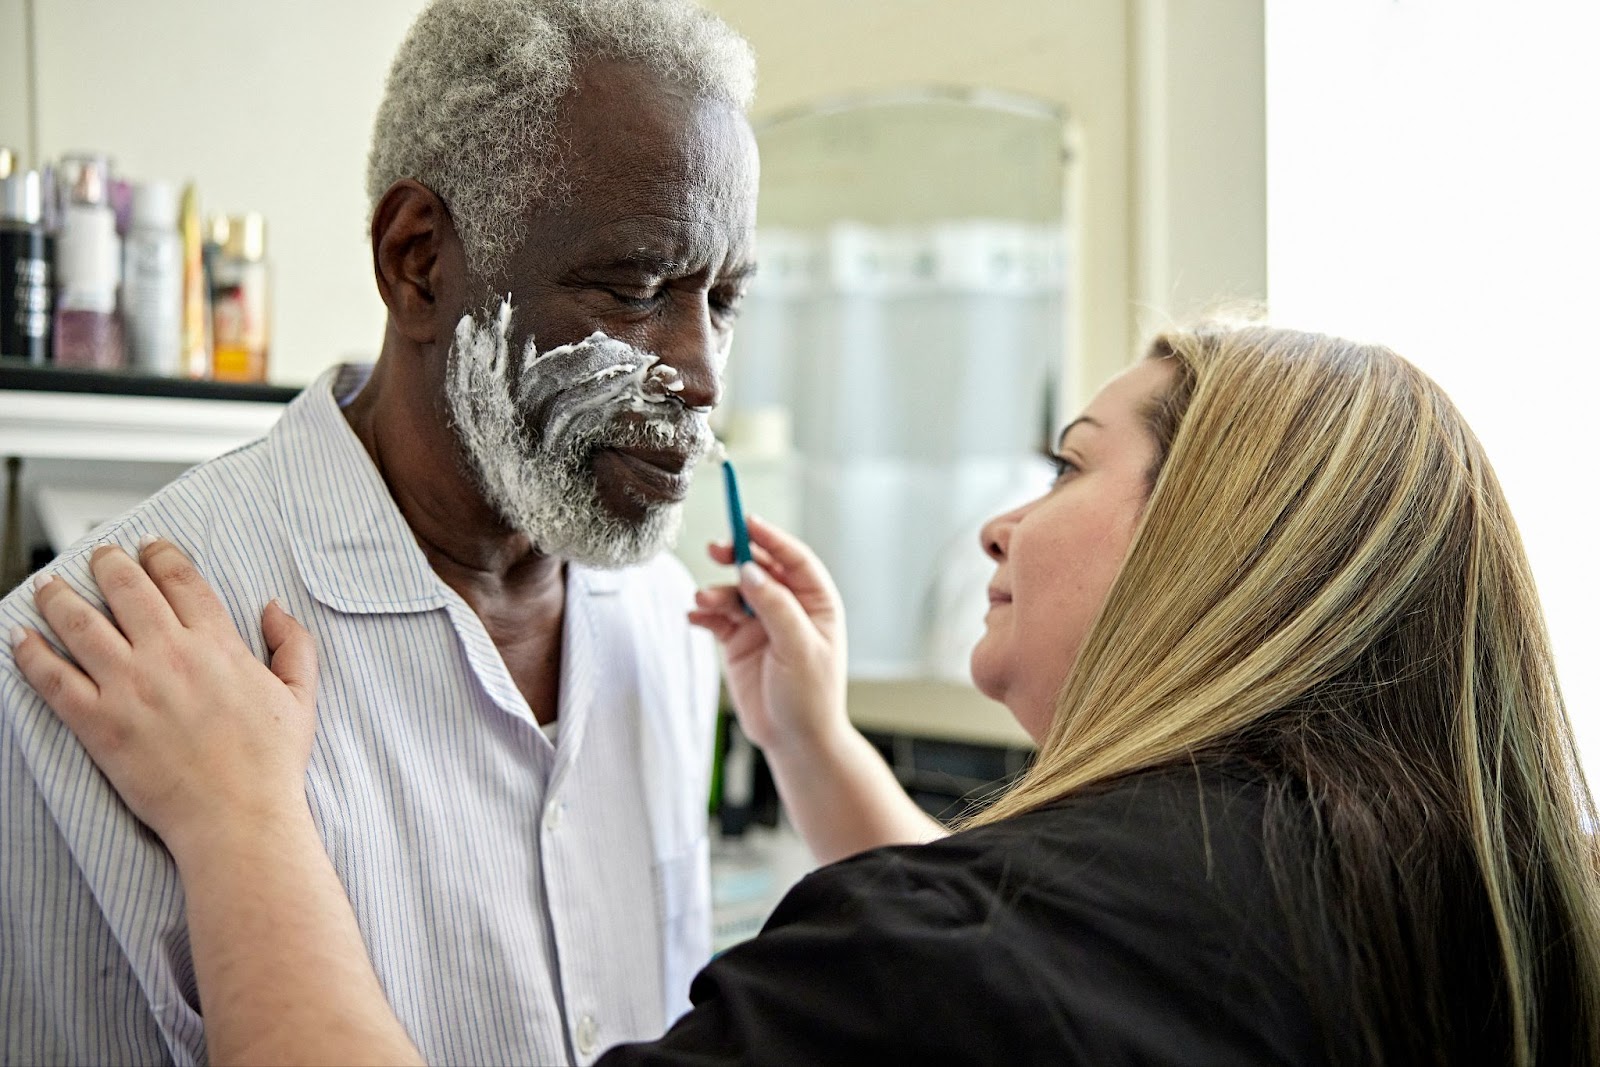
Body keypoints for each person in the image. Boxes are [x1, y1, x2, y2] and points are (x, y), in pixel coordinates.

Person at [15, 322, 1600, 1065]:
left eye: (1065, 468)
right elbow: (1066, 955)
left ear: (1216, 545)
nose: (1003, 519)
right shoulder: (1457, 902)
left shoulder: (980, 964)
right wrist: (817, 743)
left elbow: (989, 972)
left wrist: (235, 816)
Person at [0, 1, 760, 1062]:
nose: (702, 371)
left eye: (724, 298)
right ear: (418, 263)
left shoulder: (672, 614)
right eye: (635, 287)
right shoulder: (85, 669)